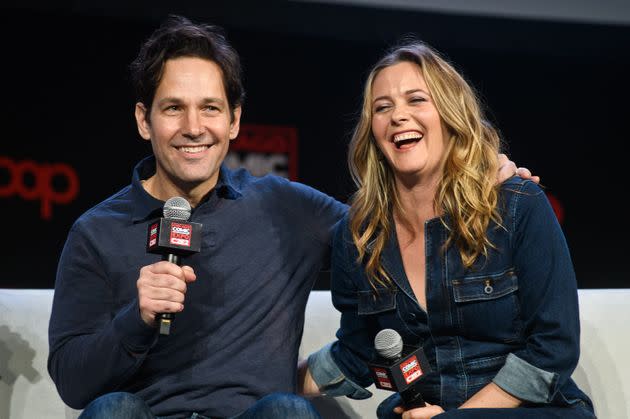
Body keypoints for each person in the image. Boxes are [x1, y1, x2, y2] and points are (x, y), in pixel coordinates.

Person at [48, 16, 531, 419]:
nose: (193, 127)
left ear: (234, 121)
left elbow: (388, 231)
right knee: (111, 410)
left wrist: (475, 176)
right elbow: (73, 382)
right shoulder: (96, 232)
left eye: (210, 108)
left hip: (254, 415)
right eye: (173, 108)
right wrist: (139, 317)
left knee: (288, 411)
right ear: (143, 119)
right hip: (147, 413)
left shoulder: (284, 206)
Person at [301, 41, 594, 419]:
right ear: (371, 130)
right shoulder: (358, 235)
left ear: (450, 114)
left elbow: (552, 350)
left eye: (416, 100)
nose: (398, 116)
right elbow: (357, 352)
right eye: (382, 107)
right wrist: (258, 381)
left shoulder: (518, 205)